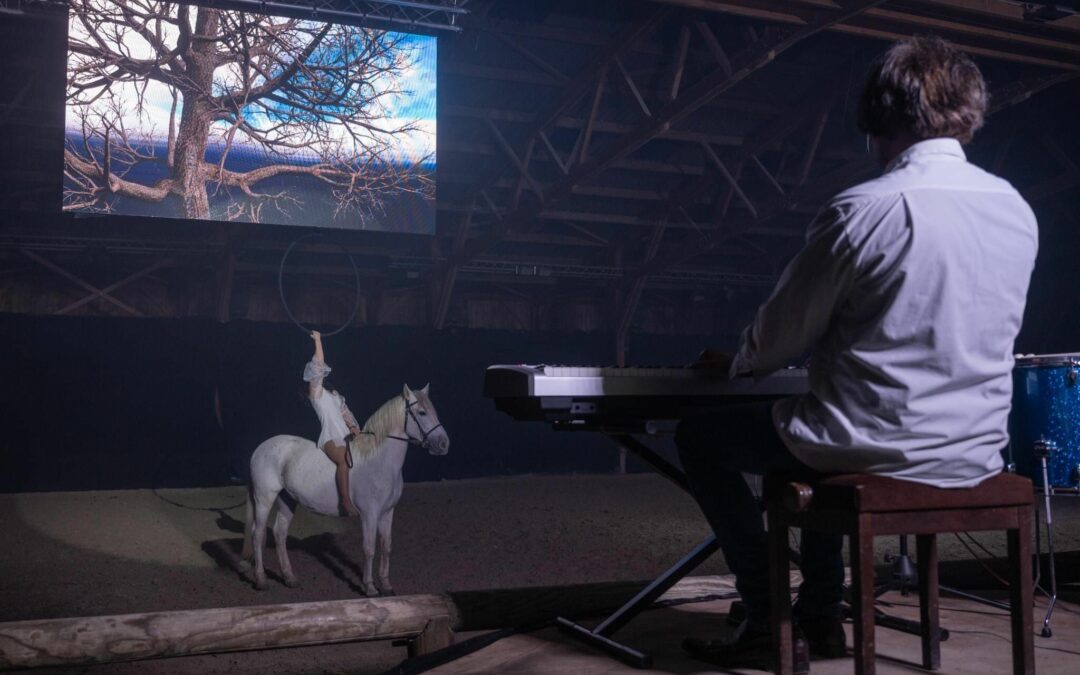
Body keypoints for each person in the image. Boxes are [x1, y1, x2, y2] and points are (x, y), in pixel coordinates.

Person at [676, 35, 1038, 671]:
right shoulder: (1016, 209)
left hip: (870, 444)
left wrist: (740, 359)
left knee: (701, 439)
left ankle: (767, 614)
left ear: (878, 119)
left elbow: (780, 339)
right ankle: (821, 616)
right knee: (816, 435)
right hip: (972, 450)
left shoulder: (862, 209)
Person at [304, 330, 363, 517]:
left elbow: (346, 415)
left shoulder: (336, 396)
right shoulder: (316, 394)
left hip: (347, 436)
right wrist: (318, 342)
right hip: (330, 437)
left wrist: (354, 428)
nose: (319, 375)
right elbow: (319, 363)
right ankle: (345, 501)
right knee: (344, 459)